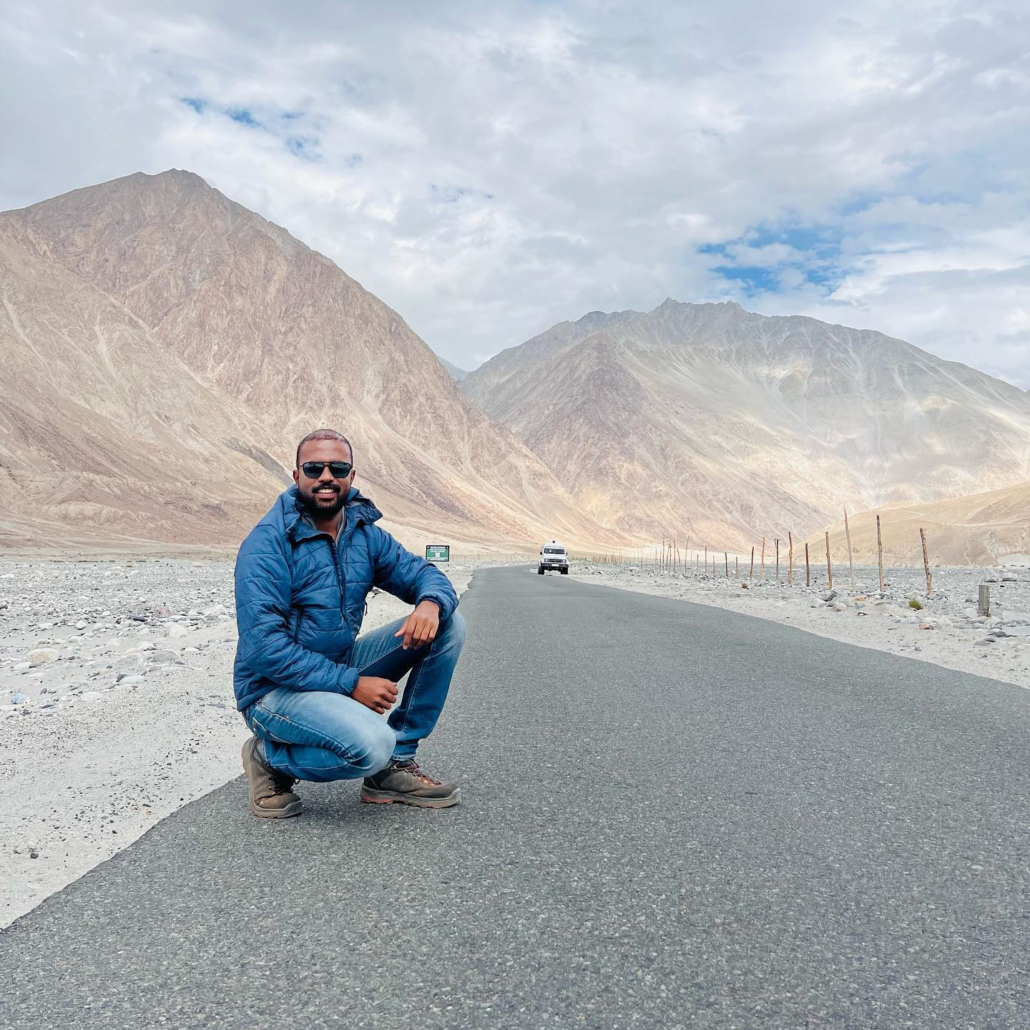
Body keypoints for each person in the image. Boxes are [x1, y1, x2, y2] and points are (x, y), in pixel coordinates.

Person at [233, 428, 465, 818]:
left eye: (338, 467)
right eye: (315, 467)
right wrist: (352, 684)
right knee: (371, 746)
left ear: (351, 477)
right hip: (272, 691)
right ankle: (268, 758)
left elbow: (422, 573)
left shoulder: (363, 535)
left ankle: (395, 764)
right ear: (296, 476)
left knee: (448, 623)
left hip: (336, 667)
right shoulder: (267, 544)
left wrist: (429, 602)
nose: (327, 476)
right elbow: (264, 649)